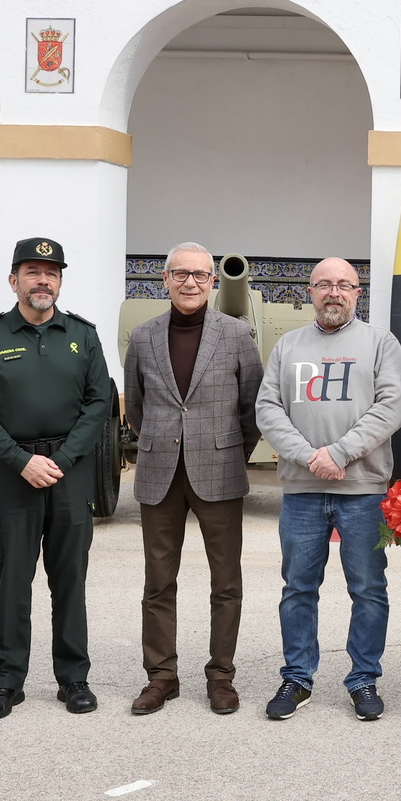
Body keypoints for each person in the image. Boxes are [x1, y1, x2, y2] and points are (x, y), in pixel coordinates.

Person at [0, 237, 111, 720]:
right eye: (32, 272)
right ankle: (5, 683)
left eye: (51, 273)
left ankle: (74, 679)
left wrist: (62, 459)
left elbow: (99, 403)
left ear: (60, 281)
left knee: (70, 579)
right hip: (10, 472)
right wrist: (20, 460)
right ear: (14, 280)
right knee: (12, 581)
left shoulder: (83, 336)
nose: (43, 280)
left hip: (69, 471)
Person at [255, 257, 401, 723]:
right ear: (311, 292)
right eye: (324, 284)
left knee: (368, 588)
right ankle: (297, 678)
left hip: (363, 491)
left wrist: (338, 453)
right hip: (302, 491)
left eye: (344, 284)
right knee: (298, 588)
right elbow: (268, 408)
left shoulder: (380, 342)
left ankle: (364, 679)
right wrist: (308, 456)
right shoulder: (288, 345)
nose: (334, 292)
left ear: (358, 293)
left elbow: (390, 407)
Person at [123, 241, 262, 717]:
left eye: (200, 275)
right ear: (165, 279)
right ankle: (161, 677)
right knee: (158, 582)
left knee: (226, 583)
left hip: (219, 473)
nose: (190, 282)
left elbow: (252, 405)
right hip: (159, 473)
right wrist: (161, 442)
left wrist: (231, 453)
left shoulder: (236, 334)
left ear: (212, 281)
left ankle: (220, 677)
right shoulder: (144, 337)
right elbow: (136, 407)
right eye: (180, 273)